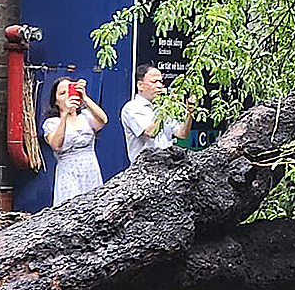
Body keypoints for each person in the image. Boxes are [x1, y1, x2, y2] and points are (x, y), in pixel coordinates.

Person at [43, 77, 108, 205]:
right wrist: (65, 114)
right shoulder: (52, 123)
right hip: (68, 173)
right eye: (62, 93)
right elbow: (56, 145)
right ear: (56, 101)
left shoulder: (85, 116)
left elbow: (103, 120)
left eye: (70, 91)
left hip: (90, 169)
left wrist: (84, 98)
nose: (67, 96)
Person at [121, 63, 192, 162]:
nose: (159, 86)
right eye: (154, 82)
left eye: (161, 82)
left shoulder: (163, 107)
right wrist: (164, 110)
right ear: (140, 85)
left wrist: (189, 112)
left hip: (168, 165)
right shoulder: (132, 108)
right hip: (145, 166)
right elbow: (151, 132)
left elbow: (182, 134)